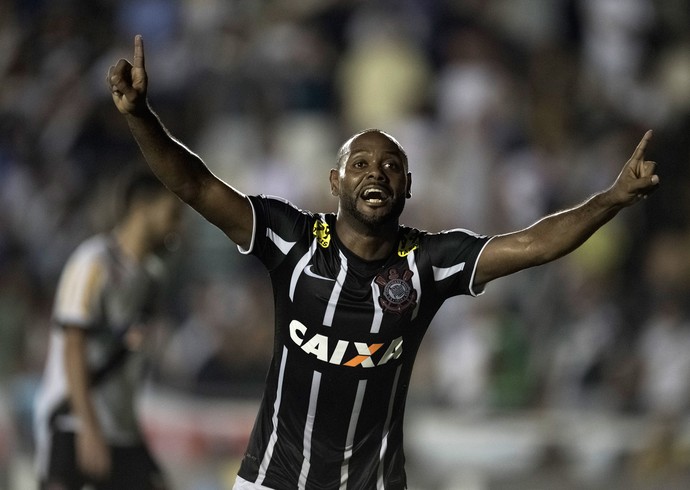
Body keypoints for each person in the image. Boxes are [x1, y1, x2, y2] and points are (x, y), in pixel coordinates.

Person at [107, 35, 659, 490]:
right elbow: (196, 184)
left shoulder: (428, 262)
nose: (377, 172)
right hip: (273, 481)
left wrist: (610, 198)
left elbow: (534, 243)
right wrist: (140, 117)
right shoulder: (292, 239)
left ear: (408, 186)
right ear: (335, 182)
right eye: (362, 163)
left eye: (392, 165)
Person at [33, 169, 183, 490]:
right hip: (73, 421)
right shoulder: (93, 262)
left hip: (122, 429)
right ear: (142, 208)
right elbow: (73, 344)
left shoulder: (153, 279)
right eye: (172, 213)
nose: (176, 227)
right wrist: (89, 427)